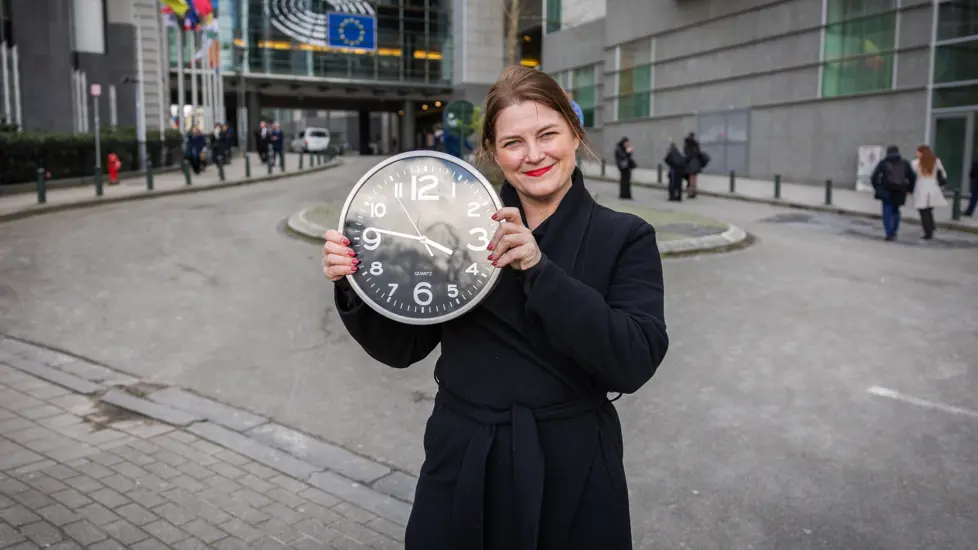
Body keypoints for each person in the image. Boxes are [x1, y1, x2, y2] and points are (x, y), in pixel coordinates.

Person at [322, 65, 669, 550]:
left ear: (575, 133)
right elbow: (402, 348)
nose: (533, 156)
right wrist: (354, 284)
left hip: (573, 463)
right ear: (493, 152)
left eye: (547, 134)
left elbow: (632, 361)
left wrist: (539, 268)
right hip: (464, 455)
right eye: (513, 143)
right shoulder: (456, 226)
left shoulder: (625, 236)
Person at [871, 145, 917, 241]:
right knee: (896, 211)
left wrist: (878, 188)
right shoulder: (905, 163)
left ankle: (889, 232)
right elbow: (912, 177)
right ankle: (894, 230)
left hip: (886, 191)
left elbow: (874, 177)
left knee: (887, 212)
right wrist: (909, 189)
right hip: (900, 191)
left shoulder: (883, 163)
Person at [910, 144, 949, 240]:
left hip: (921, 187)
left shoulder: (915, 163)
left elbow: (911, 174)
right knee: (929, 209)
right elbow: (943, 174)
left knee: (923, 211)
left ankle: (928, 231)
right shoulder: (936, 161)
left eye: (918, 152)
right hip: (933, 187)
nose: (916, 153)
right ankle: (931, 226)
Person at [683, 132, 703, 198]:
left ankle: (690, 193)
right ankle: (694, 192)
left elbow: (685, 153)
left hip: (690, 162)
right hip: (696, 162)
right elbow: (699, 152)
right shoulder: (696, 143)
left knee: (691, 178)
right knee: (694, 177)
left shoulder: (687, 144)